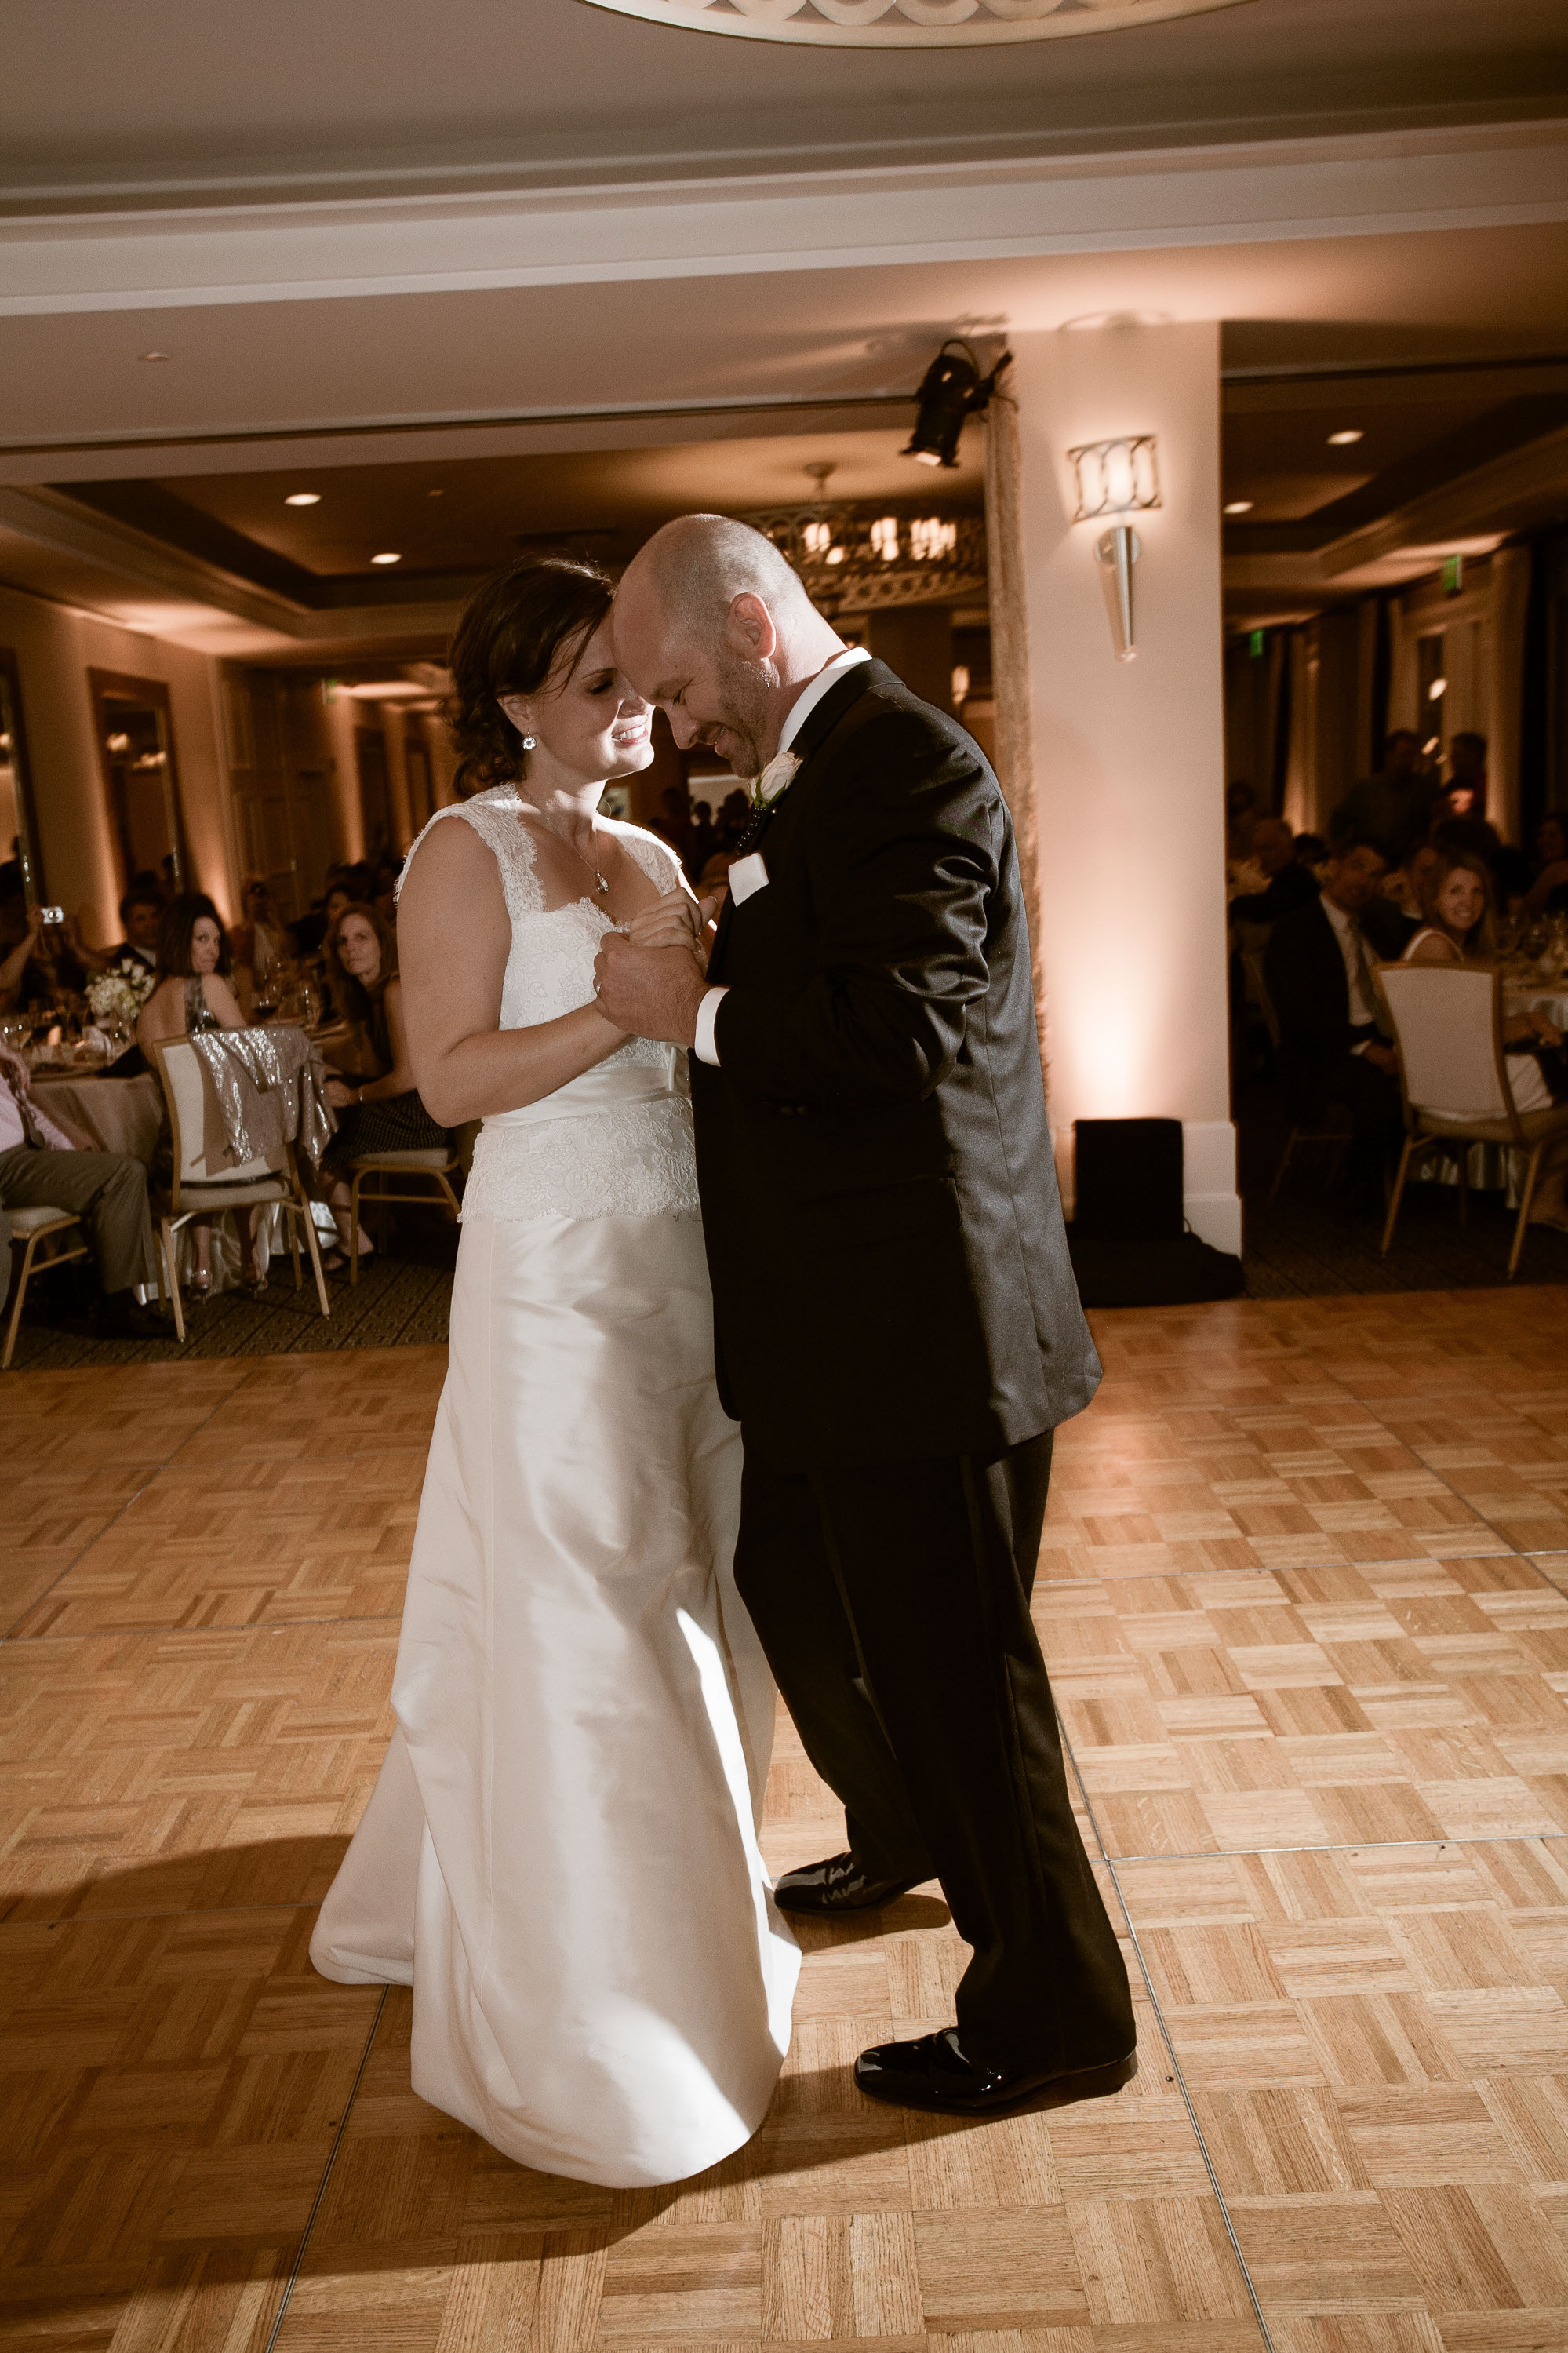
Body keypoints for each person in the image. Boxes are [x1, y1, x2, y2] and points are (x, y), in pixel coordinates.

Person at [599, 513, 1134, 2122]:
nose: (675, 722)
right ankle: (905, 1823)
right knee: (799, 1579)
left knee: (966, 1678)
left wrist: (687, 1009)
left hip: (923, 1330)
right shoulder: (818, 769)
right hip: (854, 1325)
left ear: (755, 631)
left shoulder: (906, 761)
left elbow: (896, 1025)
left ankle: (1055, 2014)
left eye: (680, 683)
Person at [309, 555, 799, 2189]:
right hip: (552, 1285)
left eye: (642, 680)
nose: (635, 709)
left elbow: (701, 1062)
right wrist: (626, 1000)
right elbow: (446, 1081)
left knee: (688, 1589)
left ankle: (675, 1915)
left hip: (678, 1276)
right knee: (591, 1617)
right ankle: (606, 2012)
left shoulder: (662, 846)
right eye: (599, 684)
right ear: (516, 700)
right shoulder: (463, 848)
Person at [1402, 849, 1568, 1230]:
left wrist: (1526, 1019)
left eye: (1477, 892)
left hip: (1448, 1084)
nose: (1468, 902)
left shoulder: (1439, 943)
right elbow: (1465, 1036)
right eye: (1455, 891)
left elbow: (1463, 1026)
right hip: (1459, 1092)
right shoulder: (1435, 947)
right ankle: (1546, 1201)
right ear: (1434, 899)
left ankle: (1545, 1199)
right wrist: (1526, 1025)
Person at [1264, 834, 1402, 1200]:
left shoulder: (1374, 929)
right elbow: (1299, 1015)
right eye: (1358, 868)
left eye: (1375, 876)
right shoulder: (1296, 930)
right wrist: (1364, 1048)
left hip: (1376, 1037)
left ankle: (1418, 1185)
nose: (1364, 882)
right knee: (1377, 1093)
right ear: (1333, 867)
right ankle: (1358, 1194)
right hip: (1321, 1051)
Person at [137, 894, 262, 1296]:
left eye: (217, 939)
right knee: (250, 1124)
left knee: (202, 1131)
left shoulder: (147, 1008)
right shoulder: (207, 986)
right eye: (201, 939)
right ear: (180, 942)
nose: (213, 949)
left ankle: (202, 1267)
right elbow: (251, 1053)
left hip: (173, 1159)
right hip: (221, 1152)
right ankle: (250, 1258)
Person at [314, 901, 446, 1273]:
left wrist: (355, 1095)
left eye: (361, 937)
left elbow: (407, 1078)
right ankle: (357, 1232)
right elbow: (376, 1070)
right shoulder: (372, 996)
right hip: (415, 1106)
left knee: (320, 1131)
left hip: (425, 1115)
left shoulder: (395, 989)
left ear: (382, 944)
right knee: (325, 1105)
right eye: (342, 941)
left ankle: (354, 1240)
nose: (351, 948)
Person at [0, 1041, 162, 1339]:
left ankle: (93, 1296)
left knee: (121, 1169)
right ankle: (113, 1305)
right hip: (6, 1162)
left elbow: (21, 1107)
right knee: (122, 1174)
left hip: (25, 1152)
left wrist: (69, 1145)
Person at [1330, 729, 1440, 865]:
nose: (1408, 761)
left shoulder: (1423, 790)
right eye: (1404, 755)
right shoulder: (1366, 789)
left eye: (1412, 756)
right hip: (1369, 860)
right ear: (1389, 755)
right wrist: (1343, 853)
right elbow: (1339, 821)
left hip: (1406, 863)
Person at [1228, 817, 1318, 923]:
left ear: (1288, 848)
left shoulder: (1297, 880)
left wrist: (1233, 905)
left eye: (1266, 849)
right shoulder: (1289, 876)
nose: (1260, 857)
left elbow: (1268, 908)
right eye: (1257, 850)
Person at [107, 886, 164, 974]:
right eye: (141, 919)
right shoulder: (121, 964)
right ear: (127, 925)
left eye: (155, 916)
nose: (151, 924)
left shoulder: (172, 954)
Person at [1521, 813, 1568, 920]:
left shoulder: (1558, 869)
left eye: (1553, 835)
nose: (1545, 840)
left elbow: (1526, 913)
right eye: (1541, 835)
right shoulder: (1535, 870)